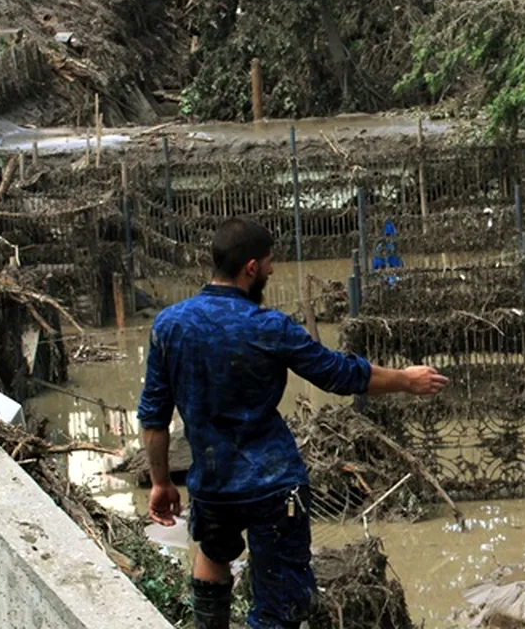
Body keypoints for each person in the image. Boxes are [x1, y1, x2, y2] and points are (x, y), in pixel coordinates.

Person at [136, 217, 448, 629]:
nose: (271, 270)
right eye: (268, 263)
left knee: (213, 553)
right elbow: (338, 373)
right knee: (280, 603)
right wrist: (405, 380)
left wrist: (161, 482)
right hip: (274, 484)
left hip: (212, 483)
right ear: (250, 268)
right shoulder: (269, 327)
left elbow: (153, 417)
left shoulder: (169, 325)